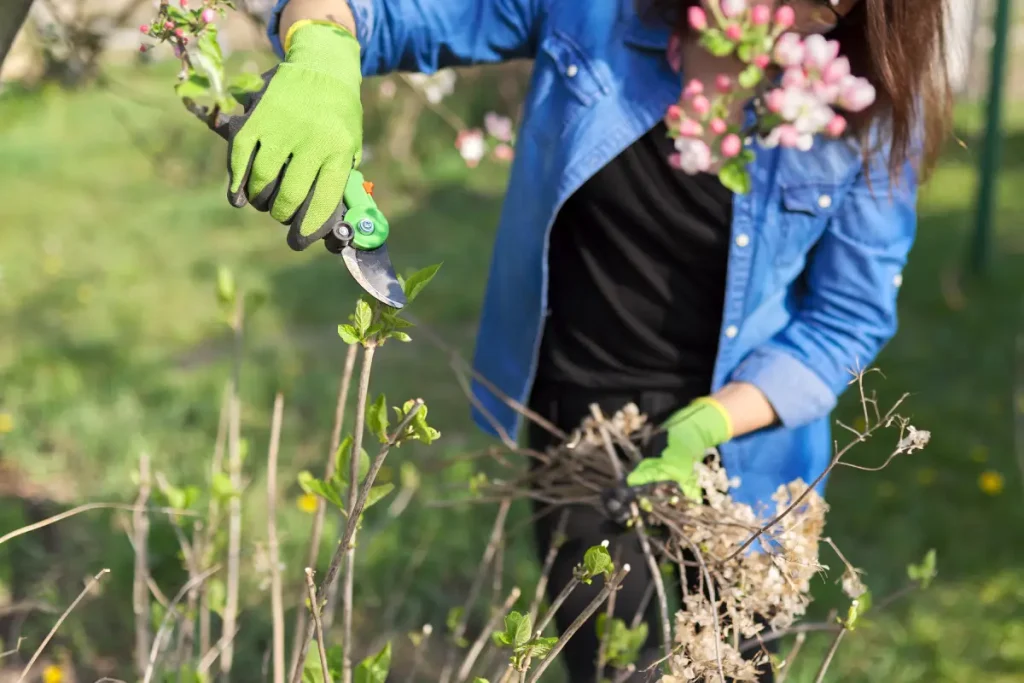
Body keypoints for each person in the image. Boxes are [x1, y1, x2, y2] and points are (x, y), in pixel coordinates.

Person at [225, 0, 952, 680]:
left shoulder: (869, 105)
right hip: (583, 430)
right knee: (609, 661)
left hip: (753, 461)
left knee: (733, 659)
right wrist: (321, 46)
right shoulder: (598, 11)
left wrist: (717, 417)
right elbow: (386, 13)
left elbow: (848, 316)